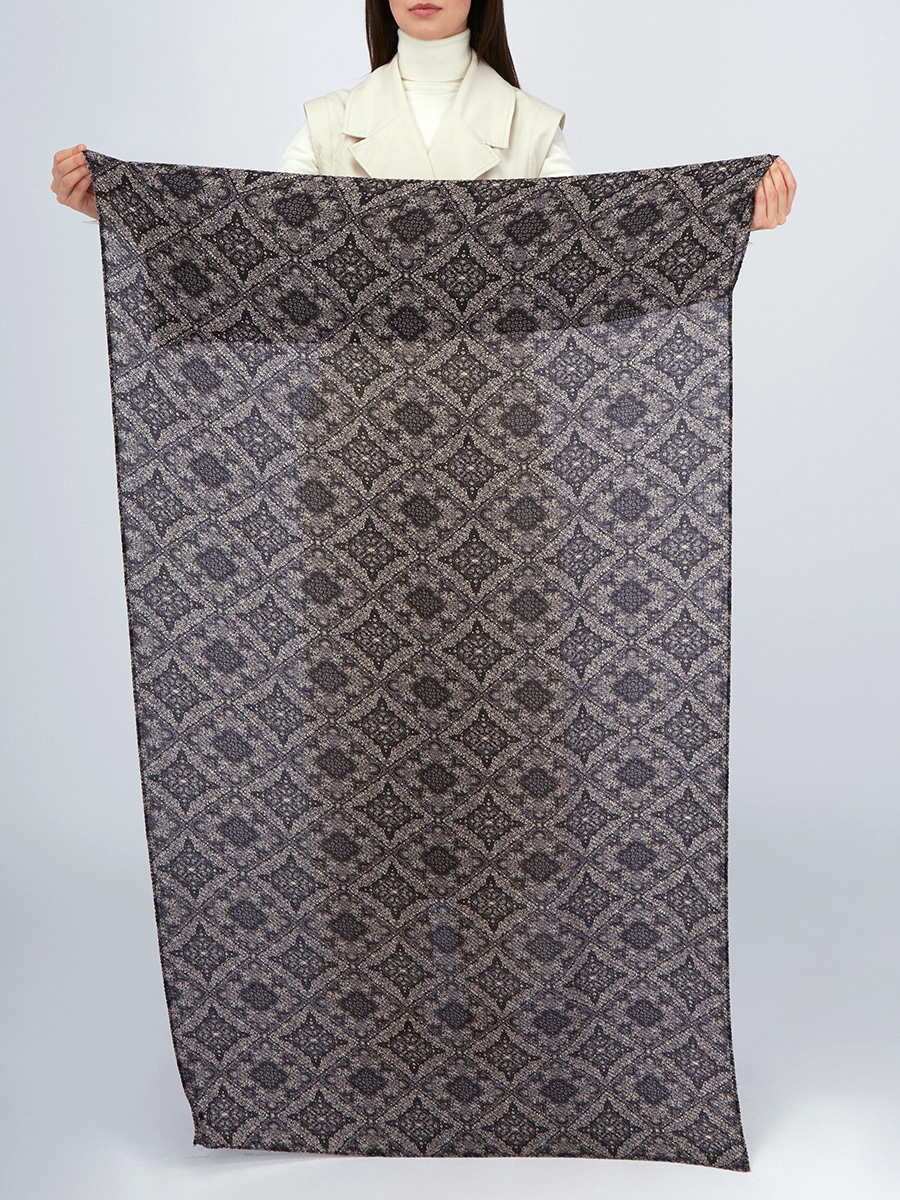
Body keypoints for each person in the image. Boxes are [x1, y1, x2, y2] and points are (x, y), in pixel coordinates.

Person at [50, 0, 796, 227]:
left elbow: (591, 255)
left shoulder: (533, 128)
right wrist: (119, 207)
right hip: (353, 426)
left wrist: (729, 219)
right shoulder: (329, 123)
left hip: (496, 429)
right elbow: (251, 239)